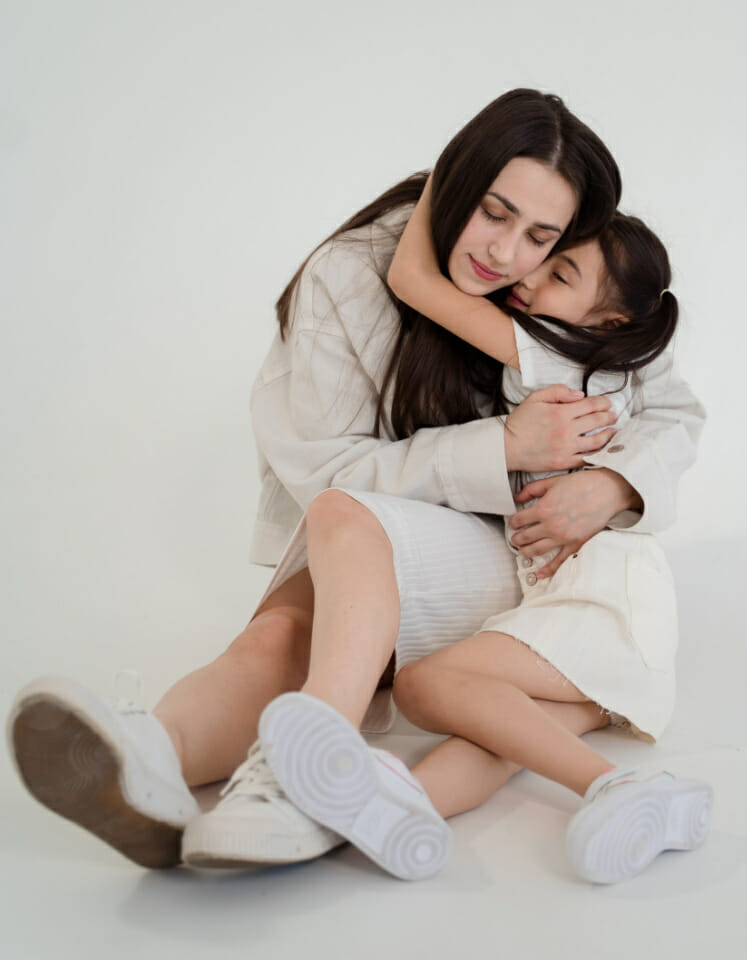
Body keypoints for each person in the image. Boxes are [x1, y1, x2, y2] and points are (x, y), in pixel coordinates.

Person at [7, 89, 703, 879]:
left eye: (540, 236)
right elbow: (323, 473)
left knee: (344, 533)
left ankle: (302, 777)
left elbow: (669, 407)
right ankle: (150, 758)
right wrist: (499, 444)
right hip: (381, 527)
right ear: (456, 180)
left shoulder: (569, 292)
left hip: (514, 551)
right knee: (279, 631)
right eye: (492, 212)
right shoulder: (351, 276)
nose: (508, 255)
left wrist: (611, 485)